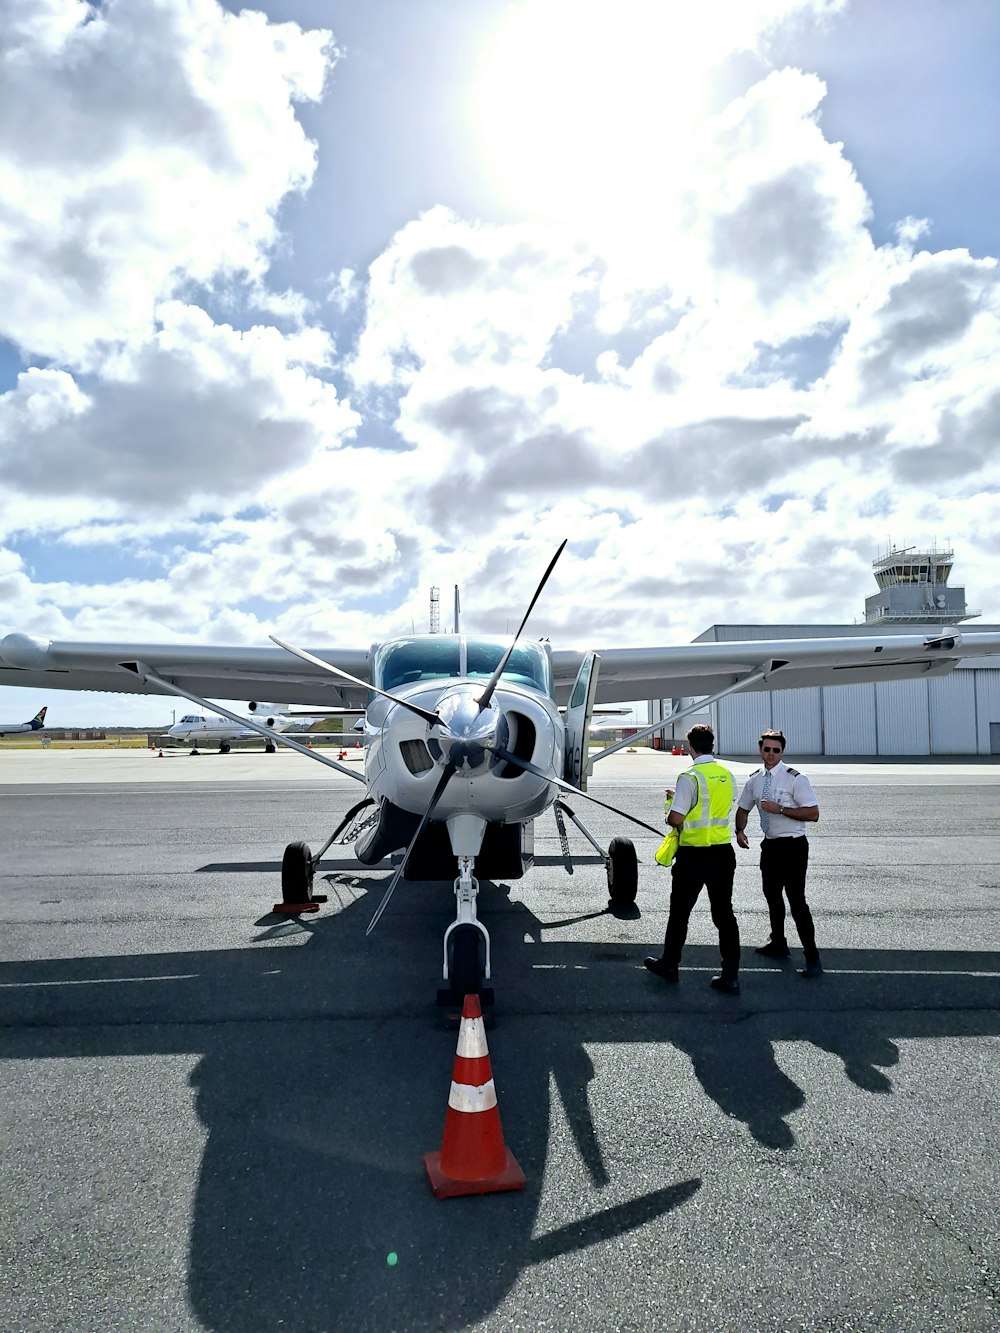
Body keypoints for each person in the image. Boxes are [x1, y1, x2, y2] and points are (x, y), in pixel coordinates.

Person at [644, 723, 741, 994]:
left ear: (690, 747)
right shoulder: (727, 775)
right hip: (722, 852)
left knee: (680, 914)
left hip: (693, 855)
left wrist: (670, 808)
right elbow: (718, 808)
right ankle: (731, 974)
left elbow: (676, 818)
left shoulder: (690, 776)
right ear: (712, 744)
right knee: (724, 914)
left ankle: (670, 965)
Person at [735, 728, 822, 978]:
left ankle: (812, 956)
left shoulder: (795, 778)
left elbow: (813, 813)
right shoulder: (755, 779)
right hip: (770, 846)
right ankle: (778, 942)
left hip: (793, 846)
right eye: (767, 749)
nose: (771, 754)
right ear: (760, 750)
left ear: (782, 751)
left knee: (797, 902)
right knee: (772, 896)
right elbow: (743, 808)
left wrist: (780, 810)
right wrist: (740, 830)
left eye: (776, 750)